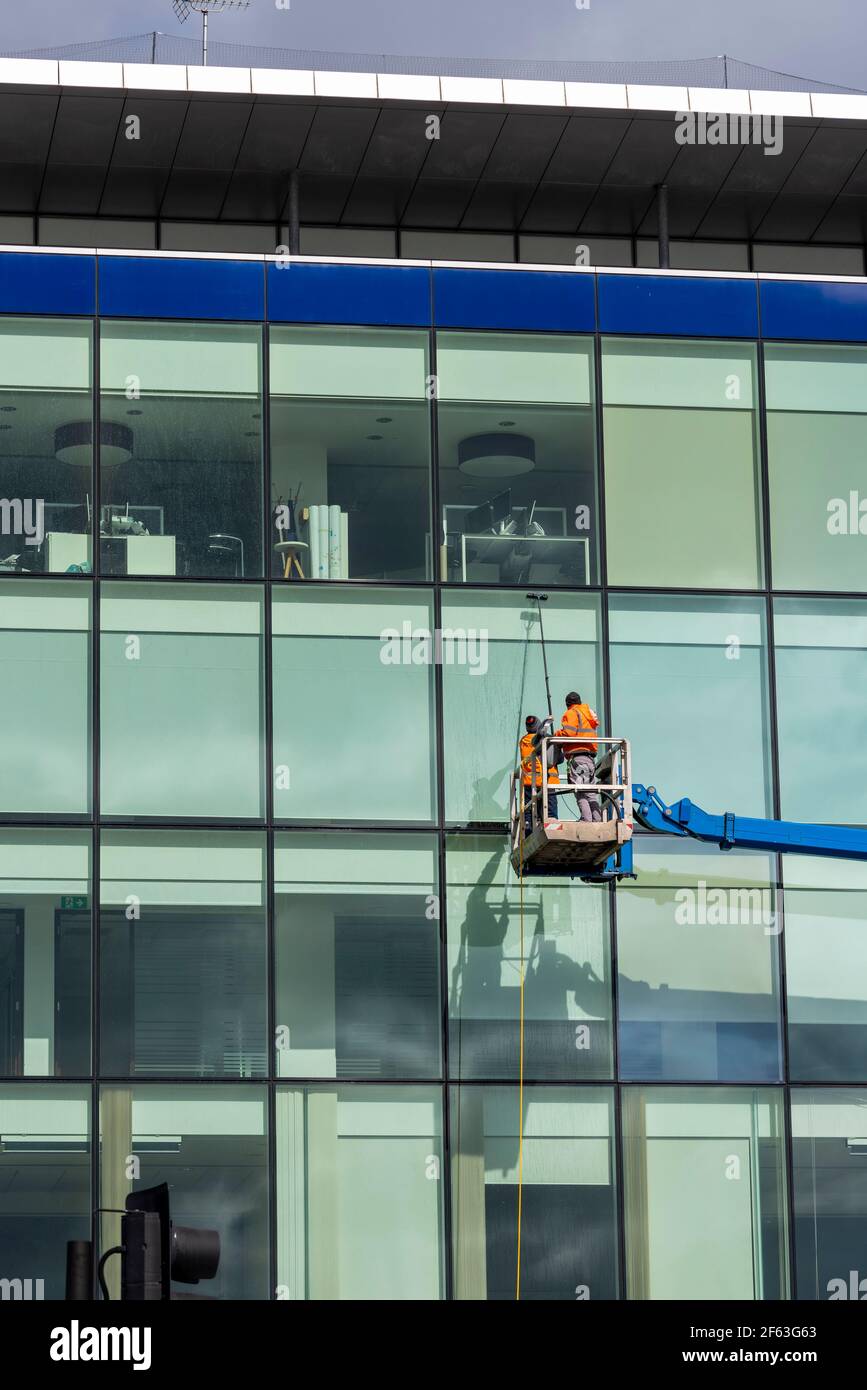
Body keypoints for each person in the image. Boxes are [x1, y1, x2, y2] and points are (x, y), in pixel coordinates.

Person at [558, 691, 601, 823]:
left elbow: (569, 733)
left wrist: (555, 735)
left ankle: (586, 819)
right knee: (590, 792)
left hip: (578, 757)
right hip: (589, 759)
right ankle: (597, 819)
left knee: (580, 791)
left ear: (567, 704)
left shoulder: (571, 713)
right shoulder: (586, 714)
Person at [519, 714, 560, 832]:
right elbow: (560, 759)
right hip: (548, 781)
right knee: (550, 814)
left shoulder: (523, 741)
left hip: (530, 783)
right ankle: (552, 830)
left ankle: (528, 830)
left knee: (529, 812)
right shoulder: (547, 739)